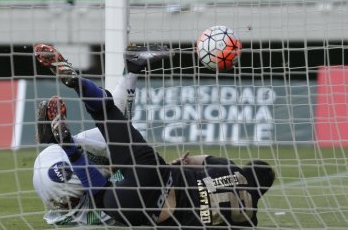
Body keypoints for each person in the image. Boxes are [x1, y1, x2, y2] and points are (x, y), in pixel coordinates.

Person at [34, 44, 276, 229]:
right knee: (106, 193)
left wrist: (183, 164)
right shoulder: (248, 222)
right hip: (132, 201)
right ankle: (69, 146)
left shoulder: (230, 170)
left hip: (151, 170)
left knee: (108, 114)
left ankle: (113, 76)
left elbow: (196, 162)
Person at [33, 44, 171, 225]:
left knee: (117, 124)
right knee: (114, 190)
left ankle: (128, 70)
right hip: (57, 172)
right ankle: (63, 141)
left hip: (55, 168)